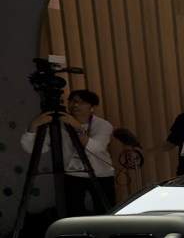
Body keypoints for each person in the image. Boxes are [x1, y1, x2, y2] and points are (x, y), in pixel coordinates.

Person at [21, 88, 115, 216]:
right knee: (73, 212)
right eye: (72, 101)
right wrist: (33, 126)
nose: (75, 105)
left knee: (106, 211)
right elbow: (35, 149)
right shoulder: (59, 124)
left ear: (92, 107)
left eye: (81, 102)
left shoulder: (103, 125)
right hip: (71, 174)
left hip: (100, 173)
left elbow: (95, 149)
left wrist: (77, 127)